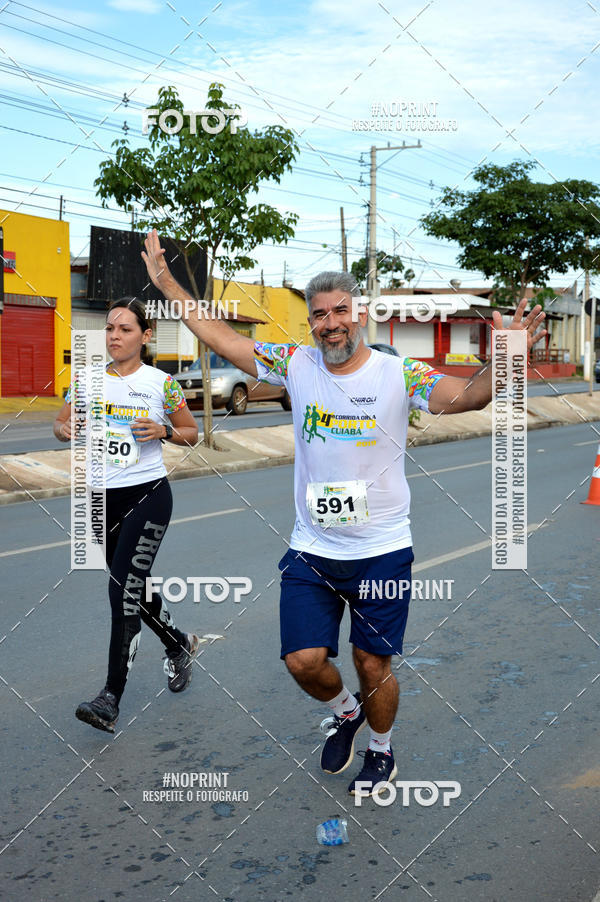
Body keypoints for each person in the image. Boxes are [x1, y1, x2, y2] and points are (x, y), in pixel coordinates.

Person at [141, 230, 546, 792]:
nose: (330, 323)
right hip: (312, 549)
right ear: (309, 322)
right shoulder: (296, 364)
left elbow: (468, 397)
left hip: (380, 550)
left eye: (340, 311)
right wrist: (165, 282)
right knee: (303, 661)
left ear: (358, 316)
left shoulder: (396, 373)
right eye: (318, 314)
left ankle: (381, 749)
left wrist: (505, 357)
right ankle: (347, 713)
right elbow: (223, 336)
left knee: (371, 663)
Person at [54, 297, 200, 733]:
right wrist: (65, 429)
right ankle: (178, 643)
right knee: (131, 586)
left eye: (125, 329)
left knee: (122, 594)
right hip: (101, 500)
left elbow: (193, 433)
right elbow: (60, 424)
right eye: (110, 328)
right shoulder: (85, 382)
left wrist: (164, 431)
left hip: (148, 496)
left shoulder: (162, 384)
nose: (115, 336)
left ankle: (110, 698)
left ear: (145, 336)